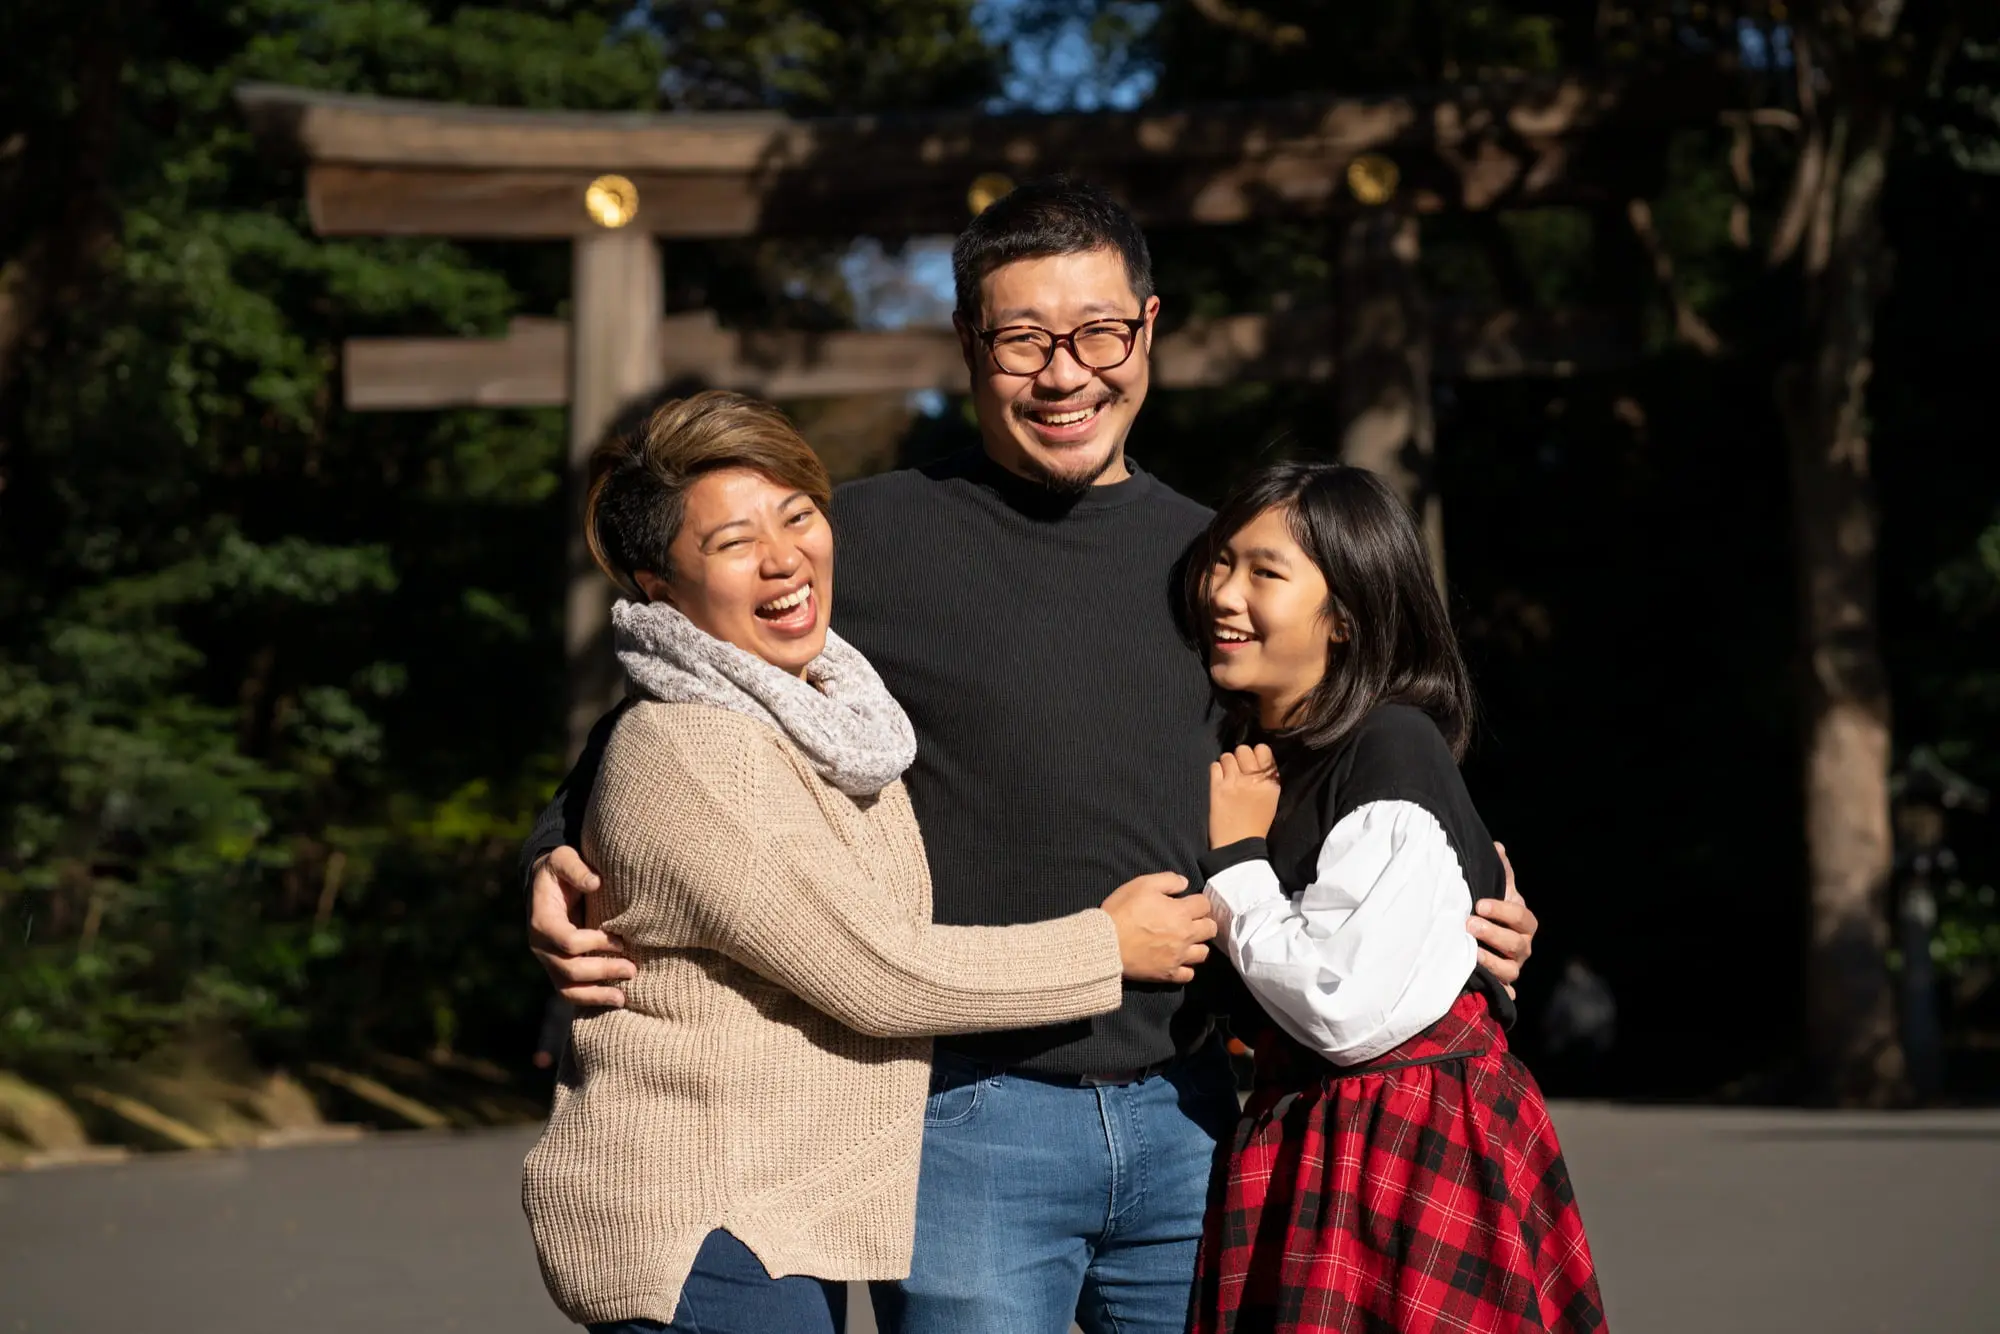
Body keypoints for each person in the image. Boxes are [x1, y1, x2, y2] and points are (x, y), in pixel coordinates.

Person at [523, 178, 1545, 1334]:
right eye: (1022, 340)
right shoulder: (860, 537)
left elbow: (1342, 742)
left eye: (1098, 332)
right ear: (968, 340)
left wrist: (1456, 880)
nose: (1065, 375)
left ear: (1147, 327)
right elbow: (679, 698)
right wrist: (555, 846)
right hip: (963, 1118)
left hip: (1195, 1104)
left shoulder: (1213, 563)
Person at [520, 390, 1216, 1334]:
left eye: (796, 516)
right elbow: (875, 970)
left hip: (787, 1209)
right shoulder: (702, 742)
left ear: (1146, 330)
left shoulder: (821, 705)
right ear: (658, 584)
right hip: (710, 1214)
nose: (782, 557)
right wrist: (1107, 947)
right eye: (733, 542)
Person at [1188, 462, 1604, 1332]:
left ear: (1346, 616)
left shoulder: (1389, 745)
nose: (1224, 593)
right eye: (1221, 562)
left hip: (1403, 1144)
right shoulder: (1271, 750)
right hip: (1328, 1135)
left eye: (1265, 572)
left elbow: (1342, 1005)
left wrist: (1236, 861)